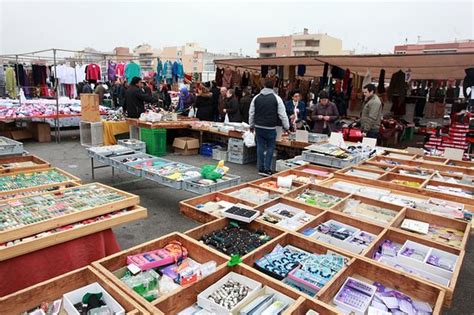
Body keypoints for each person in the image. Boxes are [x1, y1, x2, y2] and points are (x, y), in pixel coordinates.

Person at [249, 80, 290, 176]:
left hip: (258, 126)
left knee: (260, 146)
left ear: (264, 85)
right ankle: (267, 169)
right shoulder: (277, 98)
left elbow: (251, 113)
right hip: (271, 127)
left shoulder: (256, 98)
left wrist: (251, 125)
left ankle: (260, 168)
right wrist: (287, 126)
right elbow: (282, 114)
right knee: (271, 147)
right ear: (273, 87)